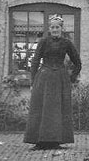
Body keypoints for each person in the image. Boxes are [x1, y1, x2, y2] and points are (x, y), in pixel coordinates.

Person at [24, 14, 82, 150]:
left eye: (57, 27)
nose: (55, 29)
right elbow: (35, 60)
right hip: (44, 78)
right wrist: (32, 81)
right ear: (49, 28)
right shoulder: (43, 42)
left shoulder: (67, 43)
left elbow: (78, 63)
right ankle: (39, 141)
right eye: (52, 27)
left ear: (61, 28)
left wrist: (71, 78)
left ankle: (56, 141)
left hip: (60, 79)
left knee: (57, 110)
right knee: (41, 108)